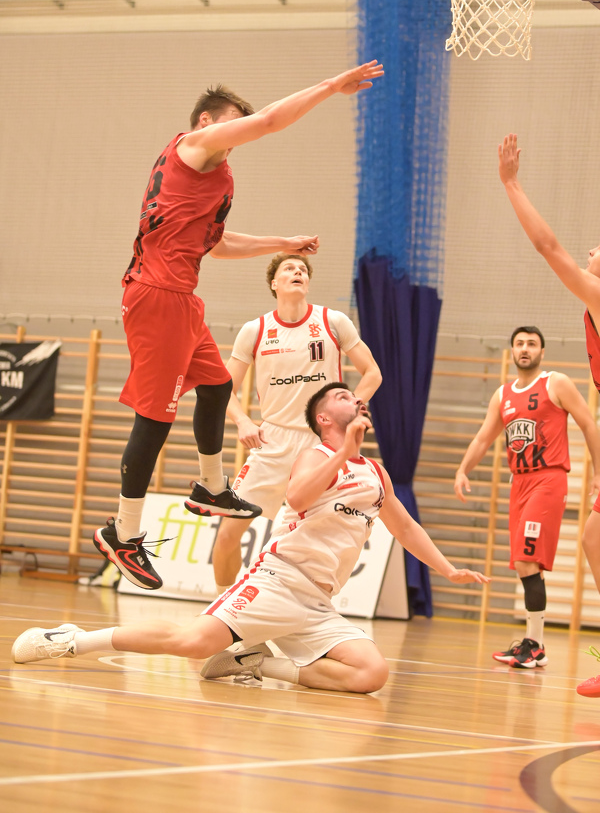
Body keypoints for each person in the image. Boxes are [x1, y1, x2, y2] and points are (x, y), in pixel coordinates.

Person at [94, 60, 385, 592]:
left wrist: (282, 243)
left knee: (217, 385)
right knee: (154, 419)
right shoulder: (193, 145)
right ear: (207, 121)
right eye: (232, 124)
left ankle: (211, 487)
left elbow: (218, 244)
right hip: (156, 294)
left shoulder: (213, 177)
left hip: (182, 297)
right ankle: (123, 532)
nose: (238, 136)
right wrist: (330, 86)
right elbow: (270, 120)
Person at [13, 383, 489, 693]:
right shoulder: (315, 456)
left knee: (371, 673)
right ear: (324, 418)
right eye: (344, 396)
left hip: (318, 602)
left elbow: (404, 527)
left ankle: (256, 663)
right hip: (277, 582)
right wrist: (343, 452)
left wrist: (448, 569)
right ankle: (73, 640)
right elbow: (298, 497)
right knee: (193, 641)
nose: (356, 399)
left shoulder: (376, 473)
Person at [498, 132, 600, 698]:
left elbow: (549, 248)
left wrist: (512, 184)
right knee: (596, 540)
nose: (589, 252)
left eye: (598, 247)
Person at [211, 252, 382, 594]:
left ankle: (308, 609)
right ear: (274, 283)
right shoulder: (255, 330)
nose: (298, 272)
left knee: (316, 541)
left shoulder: (333, 321)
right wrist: (243, 421)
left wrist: (349, 413)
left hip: (320, 445)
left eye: (303, 269)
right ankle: (222, 608)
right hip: (272, 442)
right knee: (228, 533)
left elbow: (372, 373)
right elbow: (222, 390)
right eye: (289, 268)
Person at [454, 325, 600, 670]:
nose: (525, 348)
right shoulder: (503, 395)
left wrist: (599, 472)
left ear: (542, 351)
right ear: (512, 351)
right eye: (519, 343)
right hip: (519, 483)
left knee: (526, 560)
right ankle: (533, 644)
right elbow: (483, 438)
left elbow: (588, 424)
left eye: (532, 344)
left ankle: (535, 645)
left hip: (548, 480)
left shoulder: (556, 383)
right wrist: (463, 469)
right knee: (527, 564)